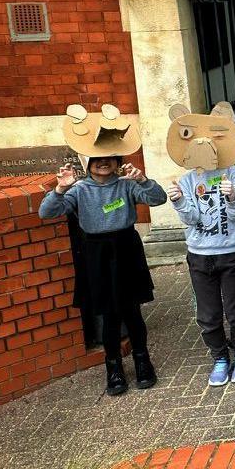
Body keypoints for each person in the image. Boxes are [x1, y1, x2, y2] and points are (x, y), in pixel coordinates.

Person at [41, 104, 167, 396]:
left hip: (126, 248)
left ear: (117, 159)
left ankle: (142, 361)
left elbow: (158, 198)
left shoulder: (126, 185)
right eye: (97, 159)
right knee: (108, 316)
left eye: (109, 158)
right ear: (89, 163)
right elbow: (46, 213)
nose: (103, 163)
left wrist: (142, 180)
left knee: (131, 311)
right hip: (96, 254)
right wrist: (59, 189)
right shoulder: (79, 190)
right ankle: (113, 368)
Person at [166, 103, 235, 387]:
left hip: (231, 252)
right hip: (200, 255)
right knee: (208, 313)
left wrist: (233, 196)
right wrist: (179, 200)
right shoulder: (189, 179)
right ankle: (219, 357)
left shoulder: (234, 173)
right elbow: (191, 218)